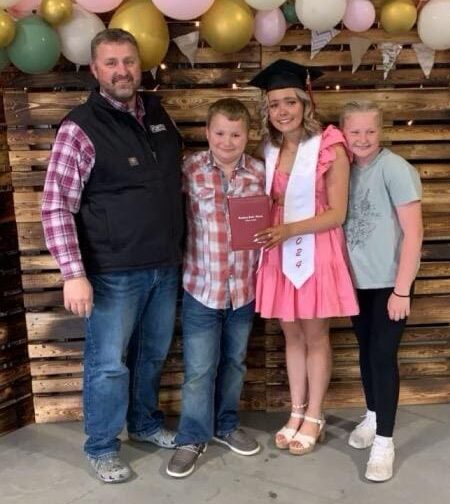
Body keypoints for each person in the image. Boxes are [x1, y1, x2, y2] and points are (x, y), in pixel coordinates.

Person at [41, 28, 185, 483]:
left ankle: (143, 425)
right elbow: (55, 205)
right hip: (112, 273)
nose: (122, 70)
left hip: (163, 266)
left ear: (139, 64)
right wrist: (73, 274)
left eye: (128, 61)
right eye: (111, 63)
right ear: (95, 70)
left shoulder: (160, 115)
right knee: (107, 365)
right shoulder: (80, 127)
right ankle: (102, 446)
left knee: (152, 355)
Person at [250, 60, 359, 456]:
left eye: (289, 102)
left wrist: (289, 230)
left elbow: (337, 213)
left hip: (314, 249)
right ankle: (295, 411)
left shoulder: (330, 145)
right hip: (278, 251)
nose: (282, 111)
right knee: (291, 335)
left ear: (305, 102)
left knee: (315, 335)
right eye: (275, 104)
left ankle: (315, 414)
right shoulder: (270, 148)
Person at [165, 98, 264, 479]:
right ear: (208, 133)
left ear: (247, 135)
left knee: (235, 362)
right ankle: (192, 436)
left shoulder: (258, 172)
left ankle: (225, 424)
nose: (227, 141)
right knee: (199, 369)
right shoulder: (189, 170)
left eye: (236, 134)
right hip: (201, 288)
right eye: (220, 132)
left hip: (244, 289)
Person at [341, 100, 423, 482]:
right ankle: (373, 416)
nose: (362, 138)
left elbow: (414, 232)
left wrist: (402, 290)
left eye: (370, 131)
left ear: (381, 131)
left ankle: (385, 442)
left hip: (391, 283)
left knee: (383, 356)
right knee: (366, 351)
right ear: (343, 132)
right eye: (355, 131)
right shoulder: (345, 168)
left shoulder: (395, 168)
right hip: (358, 283)